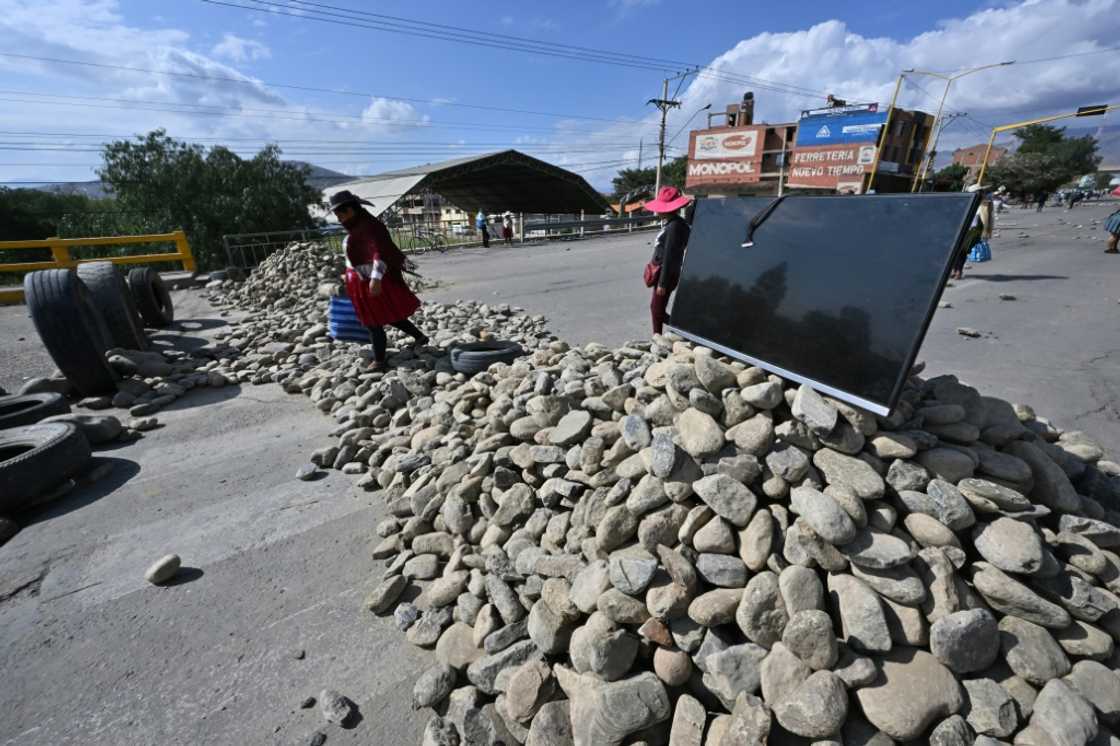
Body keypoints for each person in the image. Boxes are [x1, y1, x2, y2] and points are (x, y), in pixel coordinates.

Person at [329, 190, 428, 371]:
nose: (339, 219)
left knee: (373, 322)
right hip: (359, 280)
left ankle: (379, 361)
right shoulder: (355, 229)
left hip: (371, 280)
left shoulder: (371, 227)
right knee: (387, 314)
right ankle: (420, 337)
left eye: (339, 214)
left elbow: (380, 253)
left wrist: (375, 279)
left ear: (350, 210)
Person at [643, 186, 692, 335]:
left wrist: (662, 283)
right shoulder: (673, 223)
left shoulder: (675, 226)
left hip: (666, 275)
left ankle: (668, 334)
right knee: (656, 308)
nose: (657, 211)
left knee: (656, 309)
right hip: (665, 273)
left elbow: (670, 256)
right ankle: (661, 335)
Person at [953, 184, 993, 279]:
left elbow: (989, 220)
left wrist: (987, 232)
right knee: (956, 250)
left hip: (974, 231)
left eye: (980, 192)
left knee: (962, 251)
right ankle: (955, 270)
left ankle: (958, 271)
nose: (979, 194)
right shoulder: (966, 202)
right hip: (963, 228)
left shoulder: (986, 204)